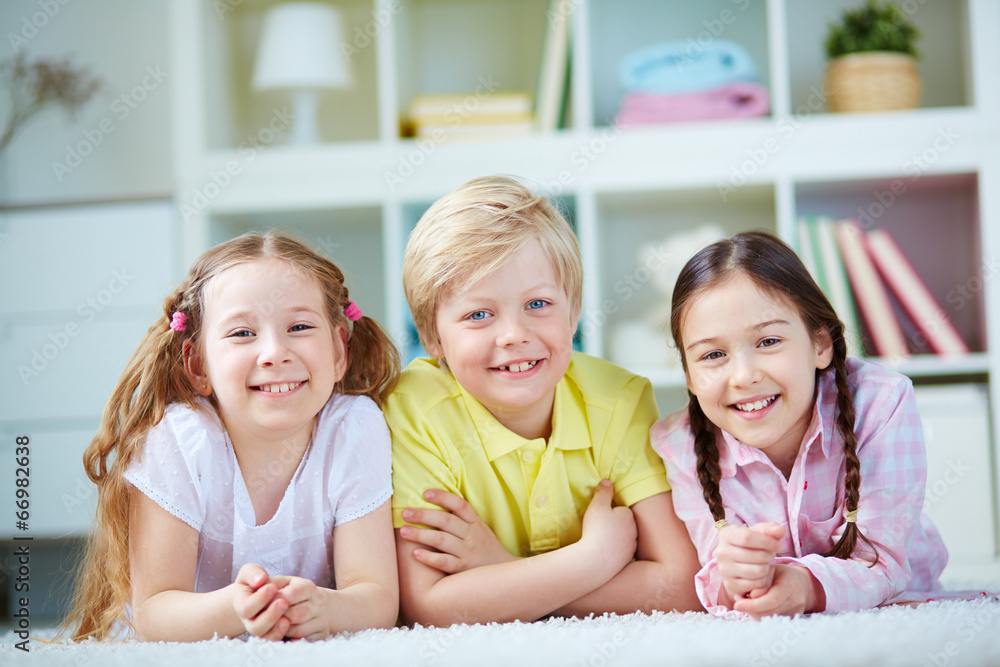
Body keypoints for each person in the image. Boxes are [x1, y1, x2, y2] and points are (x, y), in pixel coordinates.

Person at [386, 175, 702, 626]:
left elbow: (682, 584)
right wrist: (590, 560)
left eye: (538, 304)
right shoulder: (413, 409)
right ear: (433, 337)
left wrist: (501, 570)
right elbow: (428, 605)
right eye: (478, 314)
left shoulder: (620, 400)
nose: (514, 335)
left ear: (574, 312)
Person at [62, 231, 401, 641]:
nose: (275, 352)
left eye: (299, 326)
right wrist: (237, 608)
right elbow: (155, 614)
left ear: (338, 351)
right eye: (242, 333)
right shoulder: (179, 439)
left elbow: (377, 595)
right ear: (198, 365)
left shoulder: (354, 429)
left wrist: (327, 609)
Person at [651, 230, 948, 618]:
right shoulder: (680, 444)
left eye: (768, 341)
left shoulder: (881, 402)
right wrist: (738, 578)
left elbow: (883, 560)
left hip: (902, 598)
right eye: (713, 355)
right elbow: (715, 574)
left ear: (820, 344)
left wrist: (805, 586)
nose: (743, 376)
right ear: (689, 376)